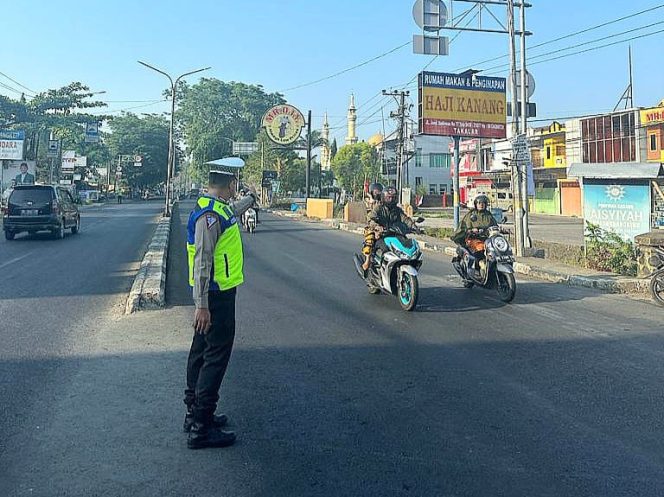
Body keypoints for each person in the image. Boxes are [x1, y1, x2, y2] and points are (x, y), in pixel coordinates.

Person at [184, 170, 256, 450]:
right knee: (214, 357)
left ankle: (195, 414)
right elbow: (203, 260)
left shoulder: (215, 208)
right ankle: (201, 427)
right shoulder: (209, 216)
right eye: (235, 184)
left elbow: (233, 211)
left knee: (201, 352)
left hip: (215, 294)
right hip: (215, 296)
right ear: (229, 184)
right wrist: (201, 305)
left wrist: (250, 198)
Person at [368, 185, 420, 258]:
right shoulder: (379, 208)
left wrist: (414, 227)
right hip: (382, 235)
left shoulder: (397, 210)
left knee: (407, 247)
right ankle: (369, 262)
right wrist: (377, 226)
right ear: (384, 197)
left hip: (396, 234)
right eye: (388, 197)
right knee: (383, 248)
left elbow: (405, 219)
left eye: (393, 197)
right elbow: (371, 219)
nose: (391, 200)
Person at [451, 194, 498, 271]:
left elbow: (494, 225)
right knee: (480, 250)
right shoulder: (471, 214)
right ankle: (477, 269)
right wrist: (471, 230)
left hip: (486, 239)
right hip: (473, 238)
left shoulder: (488, 215)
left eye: (483, 203)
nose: (481, 205)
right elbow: (465, 226)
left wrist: (500, 229)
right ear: (476, 204)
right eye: (479, 203)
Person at [360, 182, 384, 273]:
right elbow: (370, 215)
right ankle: (367, 260)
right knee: (370, 238)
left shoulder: (383, 201)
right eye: (376, 191)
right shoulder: (369, 201)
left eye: (379, 191)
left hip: (384, 225)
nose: (377, 193)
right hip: (372, 225)